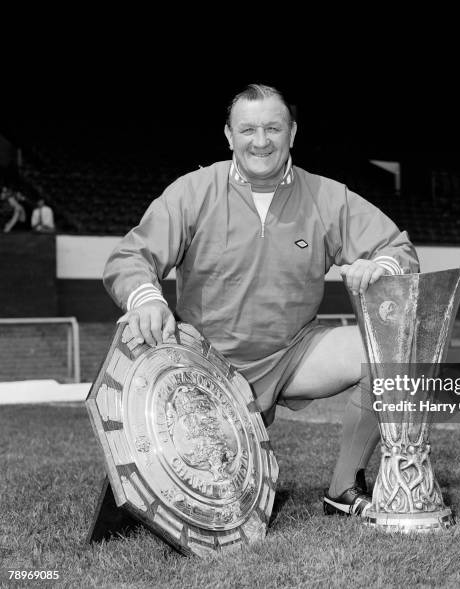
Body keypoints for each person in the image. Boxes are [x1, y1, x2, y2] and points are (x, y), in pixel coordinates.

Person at [103, 84, 419, 518]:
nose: (261, 140)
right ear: (229, 135)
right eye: (248, 129)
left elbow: (398, 250)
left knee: (388, 353)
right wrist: (146, 300)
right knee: (204, 489)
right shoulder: (193, 191)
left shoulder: (327, 196)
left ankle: (343, 488)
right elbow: (131, 256)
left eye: (273, 127)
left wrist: (379, 268)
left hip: (292, 355)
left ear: (292, 132)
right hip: (205, 364)